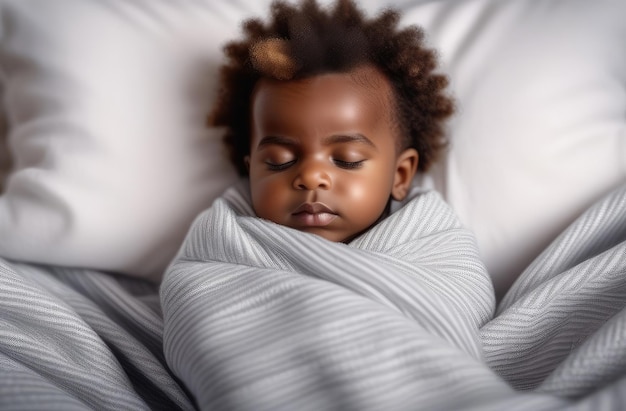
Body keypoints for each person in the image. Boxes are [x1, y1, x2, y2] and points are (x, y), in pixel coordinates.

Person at [209, 0, 455, 242]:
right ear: (251, 170)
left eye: (347, 160)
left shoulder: (433, 241)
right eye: (279, 161)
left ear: (399, 175)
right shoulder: (221, 238)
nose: (311, 176)